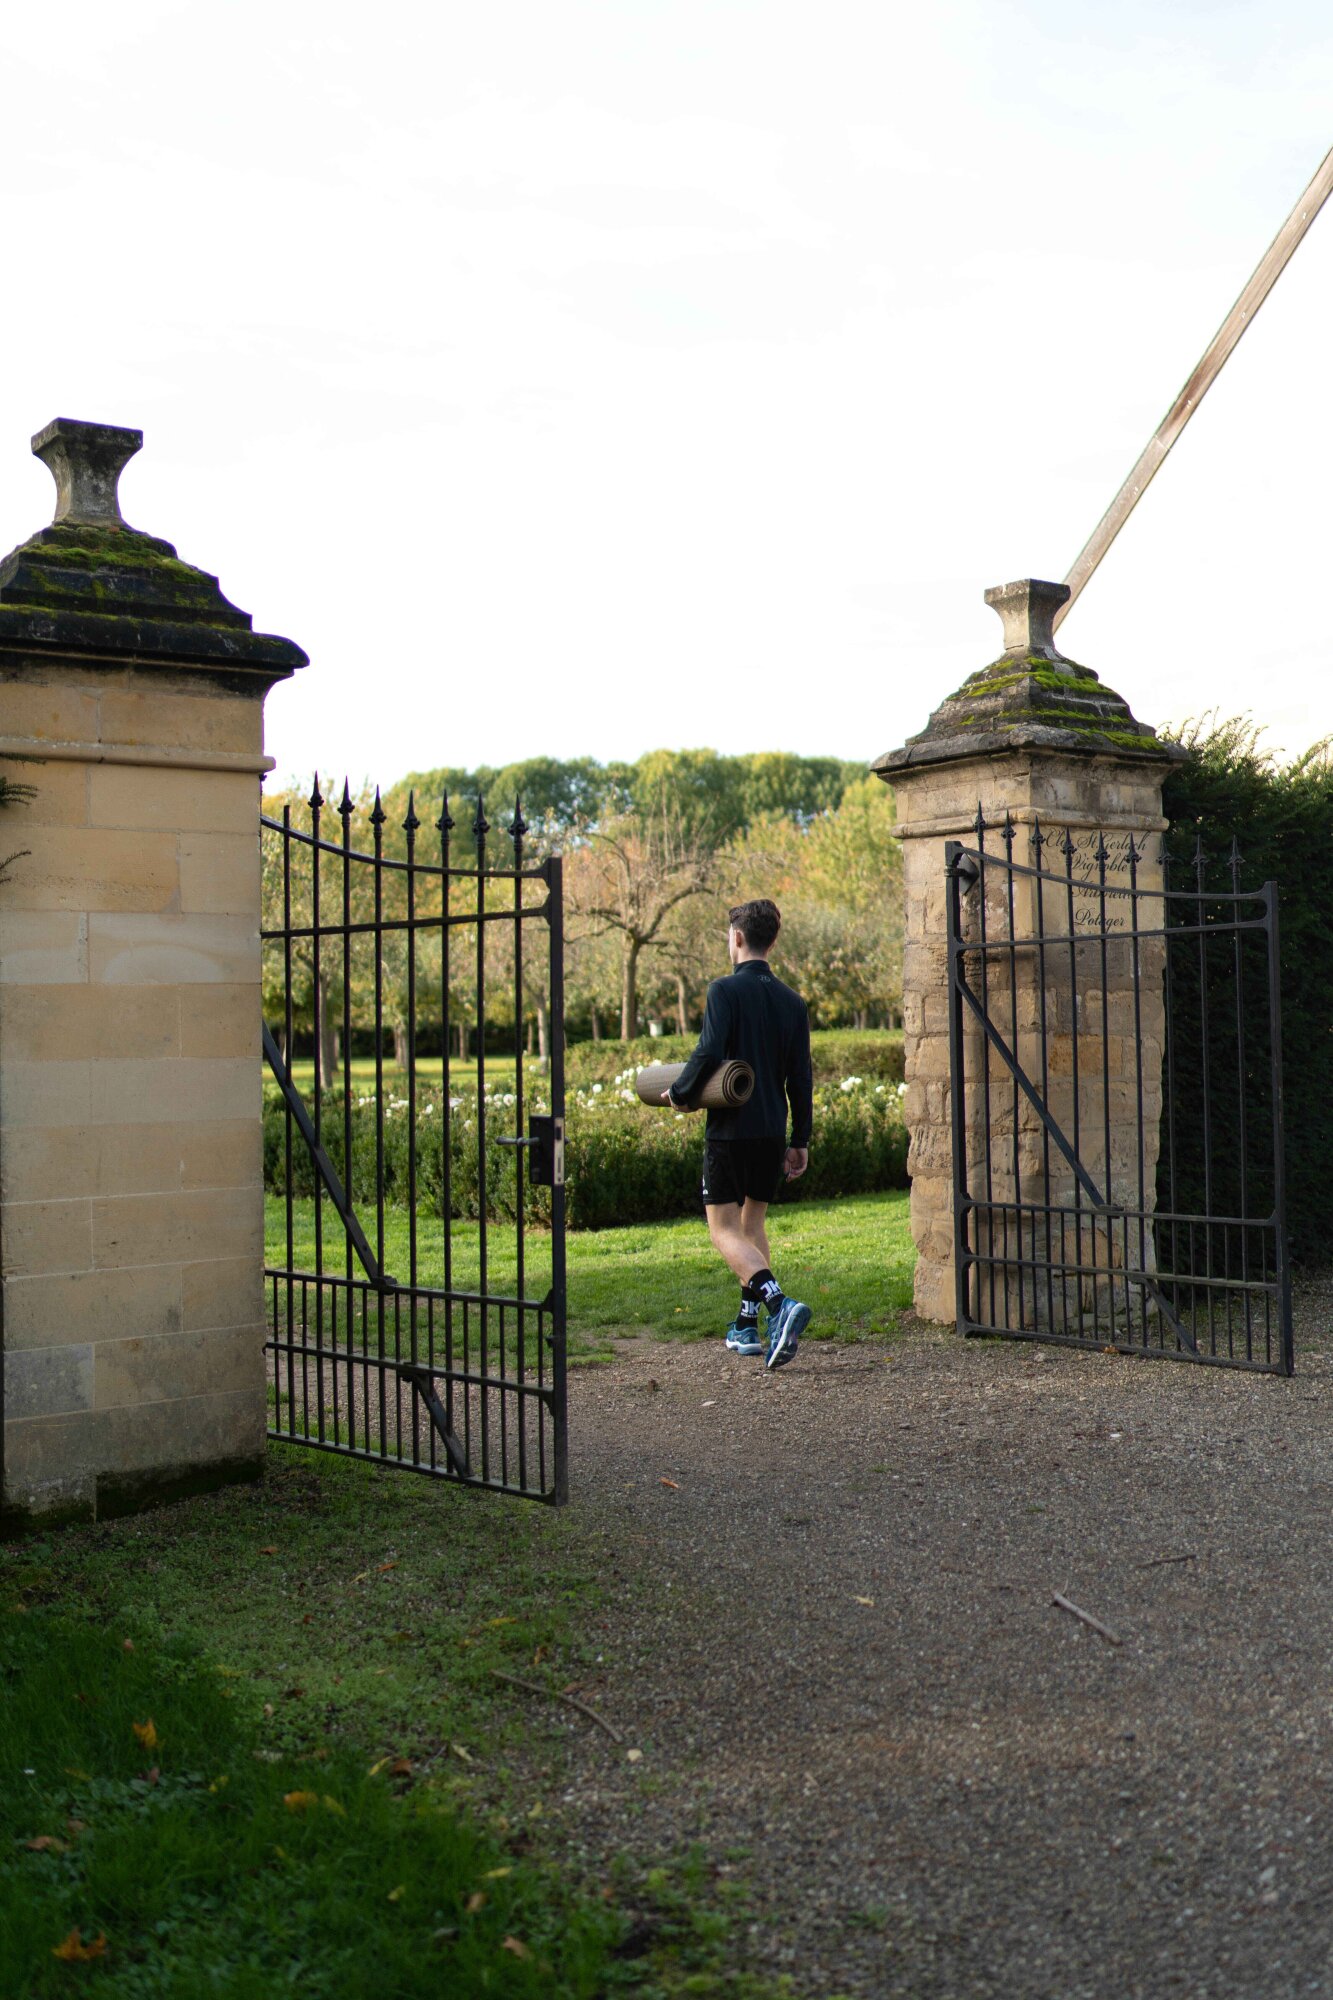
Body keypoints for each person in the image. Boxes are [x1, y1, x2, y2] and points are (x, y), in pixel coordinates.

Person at [662, 898, 813, 1369]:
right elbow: (801, 1078)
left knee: (724, 1230)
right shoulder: (793, 1002)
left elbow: (708, 1051)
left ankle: (779, 1304)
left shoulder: (723, 990)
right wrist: (800, 1140)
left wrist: (680, 1094)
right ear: (773, 941)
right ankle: (747, 1326)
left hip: (729, 1132)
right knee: (752, 1227)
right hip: (771, 1132)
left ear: (739, 937)